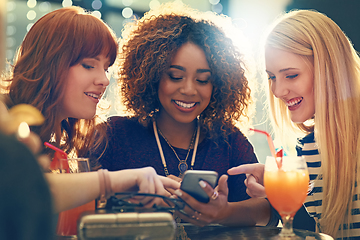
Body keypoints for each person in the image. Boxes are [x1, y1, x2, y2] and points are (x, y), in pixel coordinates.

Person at [92, 2, 273, 227]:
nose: (189, 90)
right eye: (176, 77)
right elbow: (84, 205)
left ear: (217, 84)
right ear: (153, 76)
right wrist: (137, 203)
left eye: (202, 80)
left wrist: (224, 212)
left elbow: (267, 211)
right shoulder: (114, 135)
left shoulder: (228, 140)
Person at [0, 6, 180, 216]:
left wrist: (124, 197)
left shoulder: (61, 143)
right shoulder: (6, 120)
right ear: (49, 63)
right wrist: (112, 181)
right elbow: (26, 193)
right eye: (88, 65)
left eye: (106, 68)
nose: (104, 80)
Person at [228, 9, 360, 239]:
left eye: (290, 75)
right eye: (272, 77)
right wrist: (281, 194)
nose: (278, 91)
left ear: (328, 69)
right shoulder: (309, 147)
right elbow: (315, 232)